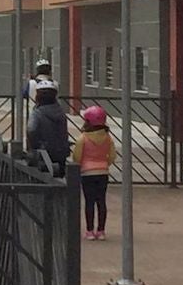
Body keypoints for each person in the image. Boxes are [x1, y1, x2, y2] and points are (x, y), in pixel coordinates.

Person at [72, 105, 116, 241]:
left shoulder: (83, 138)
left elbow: (77, 157)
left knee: (89, 202)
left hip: (87, 173)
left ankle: (90, 231)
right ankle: (101, 231)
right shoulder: (108, 138)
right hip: (103, 172)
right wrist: (104, 163)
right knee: (101, 201)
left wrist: (82, 164)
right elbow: (113, 156)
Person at [26, 79, 69, 177]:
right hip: (60, 152)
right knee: (59, 179)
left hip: (43, 154)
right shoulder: (61, 112)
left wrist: (36, 145)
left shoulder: (37, 113)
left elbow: (31, 130)